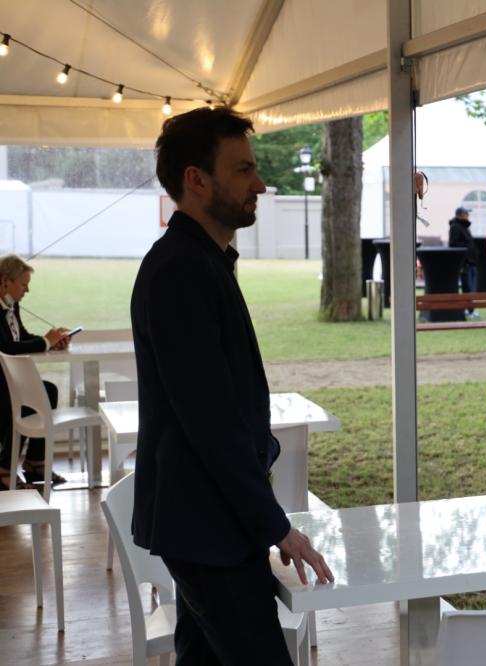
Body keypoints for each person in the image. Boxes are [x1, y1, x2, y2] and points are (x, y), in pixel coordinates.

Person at [131, 106, 333, 665]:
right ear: (196, 179)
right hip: (206, 527)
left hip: (212, 523)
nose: (260, 185)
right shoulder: (180, 270)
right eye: (243, 170)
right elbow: (210, 421)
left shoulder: (203, 261)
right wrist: (275, 525)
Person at [0, 254, 71, 491]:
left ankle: (35, 462)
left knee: (48, 391)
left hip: (8, 380)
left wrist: (51, 342)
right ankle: (4, 469)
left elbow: (21, 338)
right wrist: (45, 342)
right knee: (25, 400)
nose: (27, 290)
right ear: (5, 281)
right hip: (1, 383)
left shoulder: (11, 305)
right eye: (23, 284)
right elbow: (6, 347)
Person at [448, 206, 480, 319]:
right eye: (466, 213)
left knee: (471, 288)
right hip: (464, 263)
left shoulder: (464, 227)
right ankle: (469, 310)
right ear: (460, 215)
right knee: (467, 287)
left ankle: (470, 309)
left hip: (471, 263)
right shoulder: (455, 227)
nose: (468, 216)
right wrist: (468, 249)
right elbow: (453, 244)